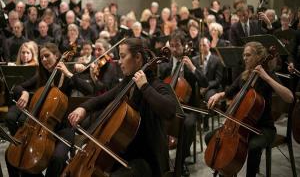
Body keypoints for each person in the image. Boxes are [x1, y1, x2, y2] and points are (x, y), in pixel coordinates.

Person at [68, 38, 176, 177]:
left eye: (123, 56)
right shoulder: (128, 82)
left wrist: (144, 87)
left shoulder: (156, 85)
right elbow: (104, 98)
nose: (119, 61)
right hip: (124, 152)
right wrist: (83, 108)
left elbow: (170, 110)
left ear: (137, 57)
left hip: (147, 159)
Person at [205, 41, 294, 177]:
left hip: (263, 129)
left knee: (254, 146)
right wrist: (218, 95)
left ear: (258, 57)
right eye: (244, 55)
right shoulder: (245, 75)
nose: (244, 58)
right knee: (210, 137)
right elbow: (228, 92)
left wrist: (266, 77)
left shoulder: (268, 75)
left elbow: (289, 97)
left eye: (248, 55)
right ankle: (228, 171)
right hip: (240, 127)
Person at [5, 43, 80, 177]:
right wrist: (24, 93)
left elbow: (90, 90)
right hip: (39, 128)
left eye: (47, 56)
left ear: (56, 56)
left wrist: (68, 73)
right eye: (41, 57)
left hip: (63, 129)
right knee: (10, 155)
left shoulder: (67, 77)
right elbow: (18, 87)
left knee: (57, 159)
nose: (44, 60)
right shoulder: (42, 75)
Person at [158, 31, 208, 177]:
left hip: (188, 108)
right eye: (171, 46)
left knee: (188, 125)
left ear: (184, 45)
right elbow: (159, 84)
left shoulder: (192, 61)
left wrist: (192, 68)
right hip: (169, 107)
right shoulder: (165, 64)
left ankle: (181, 160)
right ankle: (162, 159)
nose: (174, 49)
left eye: (177, 46)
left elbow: (204, 82)